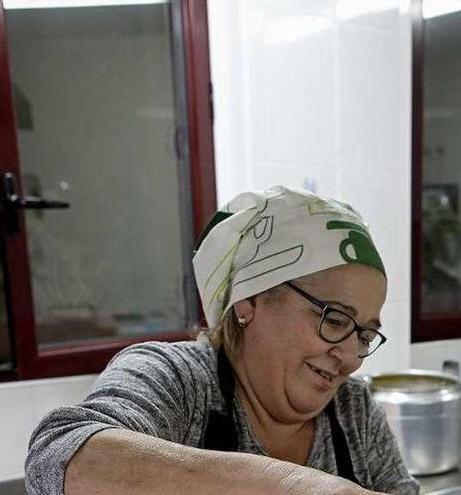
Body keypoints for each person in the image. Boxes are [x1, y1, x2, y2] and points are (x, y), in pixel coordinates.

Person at [26, 186, 420, 495]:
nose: (351, 356)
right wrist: (297, 486)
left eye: (365, 333)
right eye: (334, 319)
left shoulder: (353, 411)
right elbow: (57, 459)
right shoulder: (179, 381)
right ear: (248, 301)